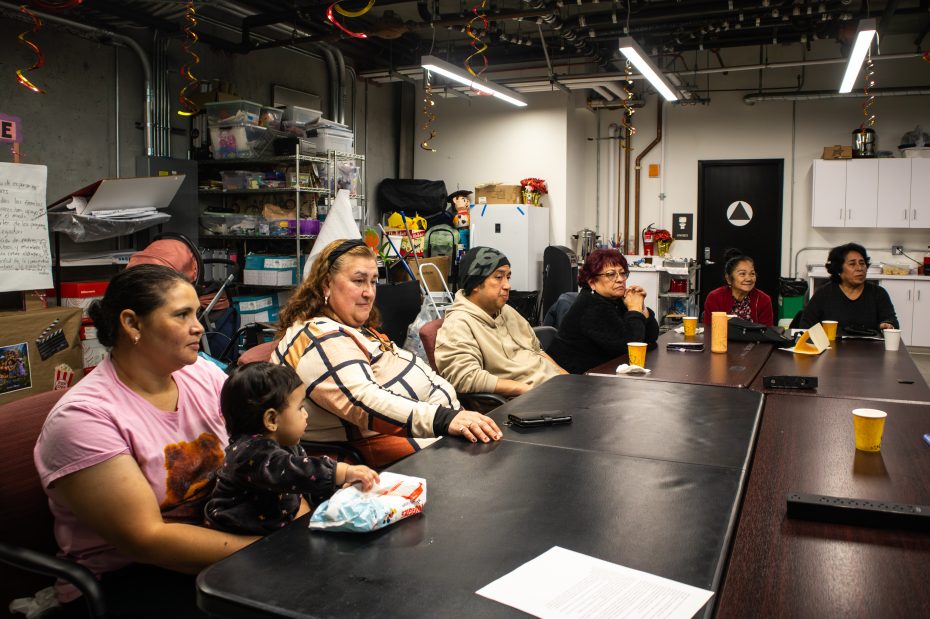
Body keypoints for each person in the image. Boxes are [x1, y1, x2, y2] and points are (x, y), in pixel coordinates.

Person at [33, 265, 257, 618]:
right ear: (132, 324)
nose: (199, 326)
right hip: (130, 576)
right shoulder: (84, 418)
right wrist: (265, 550)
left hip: (220, 538)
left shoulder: (202, 373)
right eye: (182, 315)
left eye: (196, 314)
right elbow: (146, 540)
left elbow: (261, 448)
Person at [275, 239, 502, 468]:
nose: (369, 293)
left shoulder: (350, 328)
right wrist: (445, 418)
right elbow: (364, 402)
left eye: (373, 282)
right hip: (399, 458)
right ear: (326, 285)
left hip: (438, 434)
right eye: (358, 281)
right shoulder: (320, 338)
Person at [205, 362, 378, 535]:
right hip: (240, 541)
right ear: (272, 420)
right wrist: (341, 472)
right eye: (300, 407)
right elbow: (293, 471)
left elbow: (301, 483)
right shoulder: (249, 454)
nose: (306, 414)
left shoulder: (286, 444)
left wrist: (337, 489)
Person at [434, 246, 565, 397]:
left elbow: (537, 351)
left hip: (553, 389)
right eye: (498, 277)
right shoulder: (458, 324)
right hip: (528, 401)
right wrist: (527, 390)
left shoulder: (505, 311)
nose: (507, 285)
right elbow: (465, 377)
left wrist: (568, 379)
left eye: (508, 277)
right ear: (475, 283)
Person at [547, 249, 659, 374]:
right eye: (611, 274)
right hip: (570, 380)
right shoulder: (590, 305)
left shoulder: (614, 299)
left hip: (600, 374)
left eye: (623, 273)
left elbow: (651, 337)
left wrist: (641, 308)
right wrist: (634, 309)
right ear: (592, 282)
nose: (620, 279)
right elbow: (630, 346)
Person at [798, 242, 898, 333]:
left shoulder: (878, 293)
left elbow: (892, 322)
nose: (860, 268)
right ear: (839, 269)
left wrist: (888, 325)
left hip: (869, 350)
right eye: (852, 264)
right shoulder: (824, 294)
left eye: (862, 263)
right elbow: (806, 325)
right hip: (832, 350)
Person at [703, 248, 774, 326]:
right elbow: (709, 329)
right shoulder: (715, 297)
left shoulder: (763, 299)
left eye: (752, 274)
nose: (749, 279)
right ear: (729, 278)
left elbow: (767, 331)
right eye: (742, 274)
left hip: (755, 338)